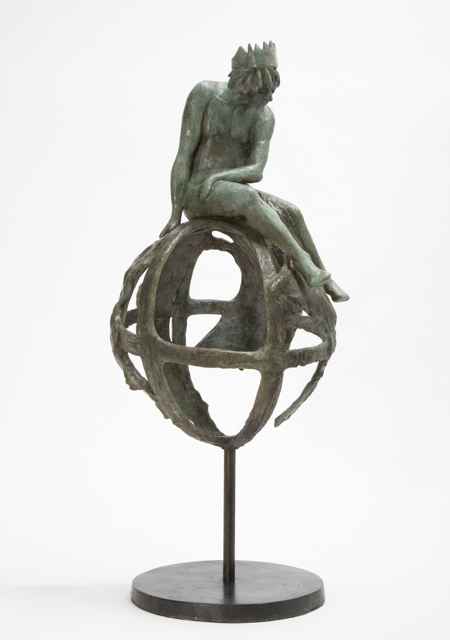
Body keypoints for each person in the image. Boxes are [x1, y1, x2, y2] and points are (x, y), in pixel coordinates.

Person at [160, 42, 349, 302]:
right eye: (263, 91)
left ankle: (324, 278)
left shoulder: (263, 116)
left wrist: (220, 177)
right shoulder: (205, 94)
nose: (268, 98)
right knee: (248, 198)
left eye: (272, 91)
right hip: (198, 193)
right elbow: (183, 156)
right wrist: (175, 213)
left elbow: (257, 170)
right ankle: (303, 262)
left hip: (230, 188)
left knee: (292, 211)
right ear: (245, 84)